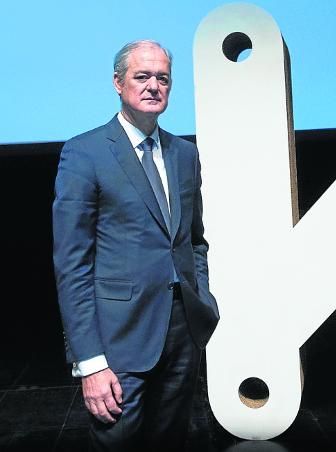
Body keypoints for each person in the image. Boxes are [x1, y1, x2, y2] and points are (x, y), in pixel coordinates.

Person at [53, 39, 219, 451]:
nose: (153, 86)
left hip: (183, 333)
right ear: (118, 82)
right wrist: (89, 362)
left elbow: (194, 241)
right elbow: (72, 265)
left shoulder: (185, 154)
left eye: (162, 78)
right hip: (119, 341)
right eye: (142, 76)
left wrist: (201, 298)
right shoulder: (84, 152)